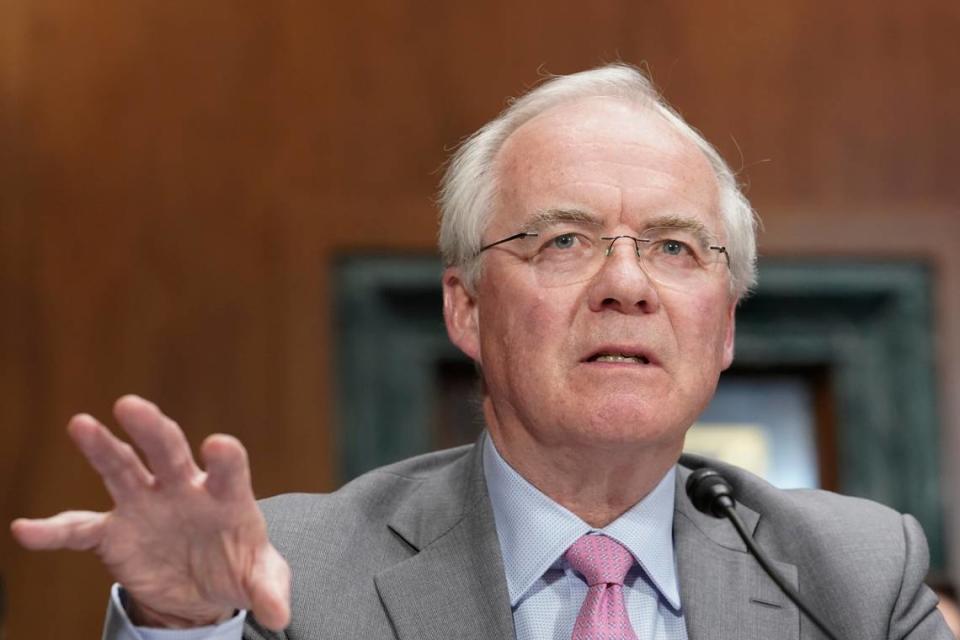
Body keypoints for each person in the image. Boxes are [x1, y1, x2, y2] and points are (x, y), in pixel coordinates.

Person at [10, 64, 952, 639]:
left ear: (727, 327)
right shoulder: (292, 572)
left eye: (674, 247)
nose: (627, 285)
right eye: (564, 241)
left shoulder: (851, 574)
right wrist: (185, 628)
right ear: (464, 309)